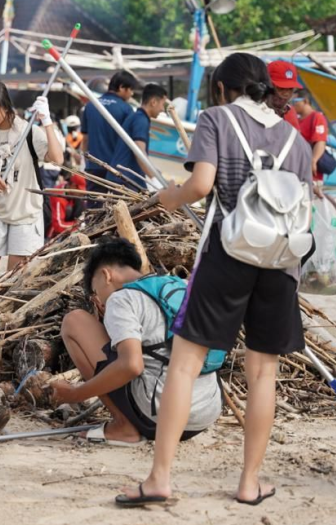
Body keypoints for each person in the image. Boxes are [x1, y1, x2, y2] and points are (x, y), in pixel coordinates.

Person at [116, 53, 312, 507]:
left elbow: (201, 185)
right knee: (264, 373)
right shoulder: (296, 141)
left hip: (229, 254)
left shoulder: (216, 119)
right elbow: (304, 209)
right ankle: (249, 483)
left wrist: (168, 198)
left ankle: (160, 478)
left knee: (185, 364)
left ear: (222, 88)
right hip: (281, 263)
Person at [50, 238, 221, 445]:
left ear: (106, 275)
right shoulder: (179, 284)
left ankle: (123, 426)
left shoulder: (123, 299)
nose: (98, 302)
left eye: (95, 293)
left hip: (158, 417)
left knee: (74, 321)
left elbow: (131, 365)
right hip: (203, 416)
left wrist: (75, 394)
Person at [0, 82, 63, 294]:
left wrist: (46, 121)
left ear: (3, 105)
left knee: (14, 284)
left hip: (26, 216)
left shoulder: (29, 133)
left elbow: (57, 159)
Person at [82, 71, 136, 192]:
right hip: (117, 169)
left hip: (93, 167)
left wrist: (87, 163)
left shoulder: (90, 105)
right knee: (116, 207)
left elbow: (85, 139)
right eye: (130, 90)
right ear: (121, 87)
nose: (131, 94)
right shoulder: (126, 109)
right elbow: (130, 143)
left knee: (94, 207)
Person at [109, 83, 168, 189]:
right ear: (153, 102)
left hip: (122, 176)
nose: (162, 109)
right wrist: (155, 179)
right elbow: (139, 152)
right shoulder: (141, 120)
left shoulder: (135, 116)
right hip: (125, 179)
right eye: (162, 104)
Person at [292, 91, 329, 182]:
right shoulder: (296, 120)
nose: (293, 105)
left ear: (305, 101)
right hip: (298, 166)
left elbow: (320, 141)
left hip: (310, 169)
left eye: (295, 101)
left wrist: (313, 161)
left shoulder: (317, 117)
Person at [48, 174, 86, 238]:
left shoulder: (68, 188)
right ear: (73, 186)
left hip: (69, 223)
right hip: (54, 234)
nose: (81, 194)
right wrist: (78, 225)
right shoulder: (58, 197)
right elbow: (58, 226)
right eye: (80, 190)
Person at [266, 60, 301, 129]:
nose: (286, 94)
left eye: (290, 89)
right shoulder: (253, 111)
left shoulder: (290, 112)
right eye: (281, 88)